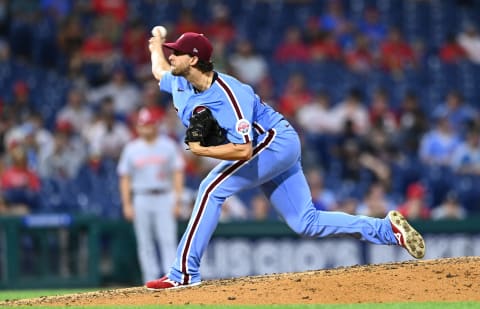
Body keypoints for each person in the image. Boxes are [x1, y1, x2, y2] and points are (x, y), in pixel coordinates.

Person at [146, 30, 425, 290]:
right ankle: (386, 230)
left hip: (273, 141)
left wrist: (203, 151)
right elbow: (159, 71)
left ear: (194, 59)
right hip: (271, 148)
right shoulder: (180, 82)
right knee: (305, 222)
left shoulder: (231, 94)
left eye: (177, 52)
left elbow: (243, 151)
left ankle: (183, 273)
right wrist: (155, 44)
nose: (172, 56)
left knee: (210, 188)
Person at [117, 108, 185, 284]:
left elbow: (178, 173)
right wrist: (127, 204)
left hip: (164, 195)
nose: (144, 128)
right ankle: (150, 279)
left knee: (167, 239)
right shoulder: (131, 148)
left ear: (156, 125)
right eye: (141, 125)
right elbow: (125, 178)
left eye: (147, 124)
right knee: (144, 242)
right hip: (141, 196)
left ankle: (171, 278)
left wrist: (177, 200)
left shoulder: (168, 145)